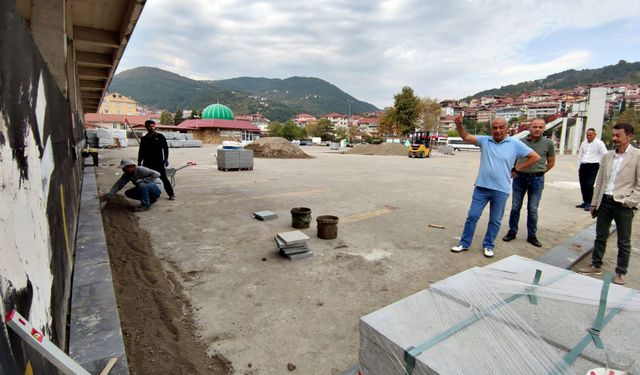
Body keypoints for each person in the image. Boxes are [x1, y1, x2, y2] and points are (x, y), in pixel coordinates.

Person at [451, 115, 540, 258]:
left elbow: (535, 157)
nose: (497, 130)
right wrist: (459, 125)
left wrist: (517, 168)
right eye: (494, 128)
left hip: (501, 189)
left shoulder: (515, 143)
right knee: (472, 216)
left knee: (495, 220)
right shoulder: (485, 141)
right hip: (482, 187)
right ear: (491, 129)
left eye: (501, 127)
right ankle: (464, 243)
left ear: (506, 128)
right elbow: (466, 137)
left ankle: (488, 245)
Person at [578, 123, 640, 285]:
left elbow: (639, 184)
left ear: (629, 136)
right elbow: (600, 181)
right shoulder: (608, 156)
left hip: (623, 204)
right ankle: (595, 264)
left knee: (624, 240)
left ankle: (620, 272)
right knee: (600, 236)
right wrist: (594, 203)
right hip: (605, 201)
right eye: (613, 135)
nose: (614, 139)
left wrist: (630, 202)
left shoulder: (637, 156)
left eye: (618, 136)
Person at [502, 118, 556, 247]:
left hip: (537, 180)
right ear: (530, 128)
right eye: (535, 127)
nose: (537, 129)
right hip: (520, 178)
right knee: (515, 207)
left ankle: (532, 235)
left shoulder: (548, 144)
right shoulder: (520, 142)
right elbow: (514, 159)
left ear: (544, 129)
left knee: (532, 209)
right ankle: (512, 231)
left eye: (540, 127)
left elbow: (551, 163)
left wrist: (539, 172)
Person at [138, 120, 175, 200]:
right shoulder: (144, 139)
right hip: (147, 163)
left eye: (153, 126)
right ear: (146, 127)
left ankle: (171, 194)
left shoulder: (160, 136)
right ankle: (150, 195)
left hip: (158, 162)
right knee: (147, 179)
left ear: (155, 126)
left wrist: (166, 159)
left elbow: (165, 149)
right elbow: (141, 151)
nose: (151, 128)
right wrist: (139, 161)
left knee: (163, 178)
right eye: (149, 126)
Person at [576, 128, 608, 211]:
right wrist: (579, 165)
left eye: (590, 135)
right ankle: (585, 201)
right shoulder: (584, 143)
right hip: (583, 165)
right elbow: (580, 154)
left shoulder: (599, 143)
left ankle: (590, 203)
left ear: (595, 135)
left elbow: (605, 154)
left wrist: (600, 164)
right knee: (583, 184)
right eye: (587, 135)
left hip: (593, 165)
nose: (589, 136)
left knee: (589, 185)